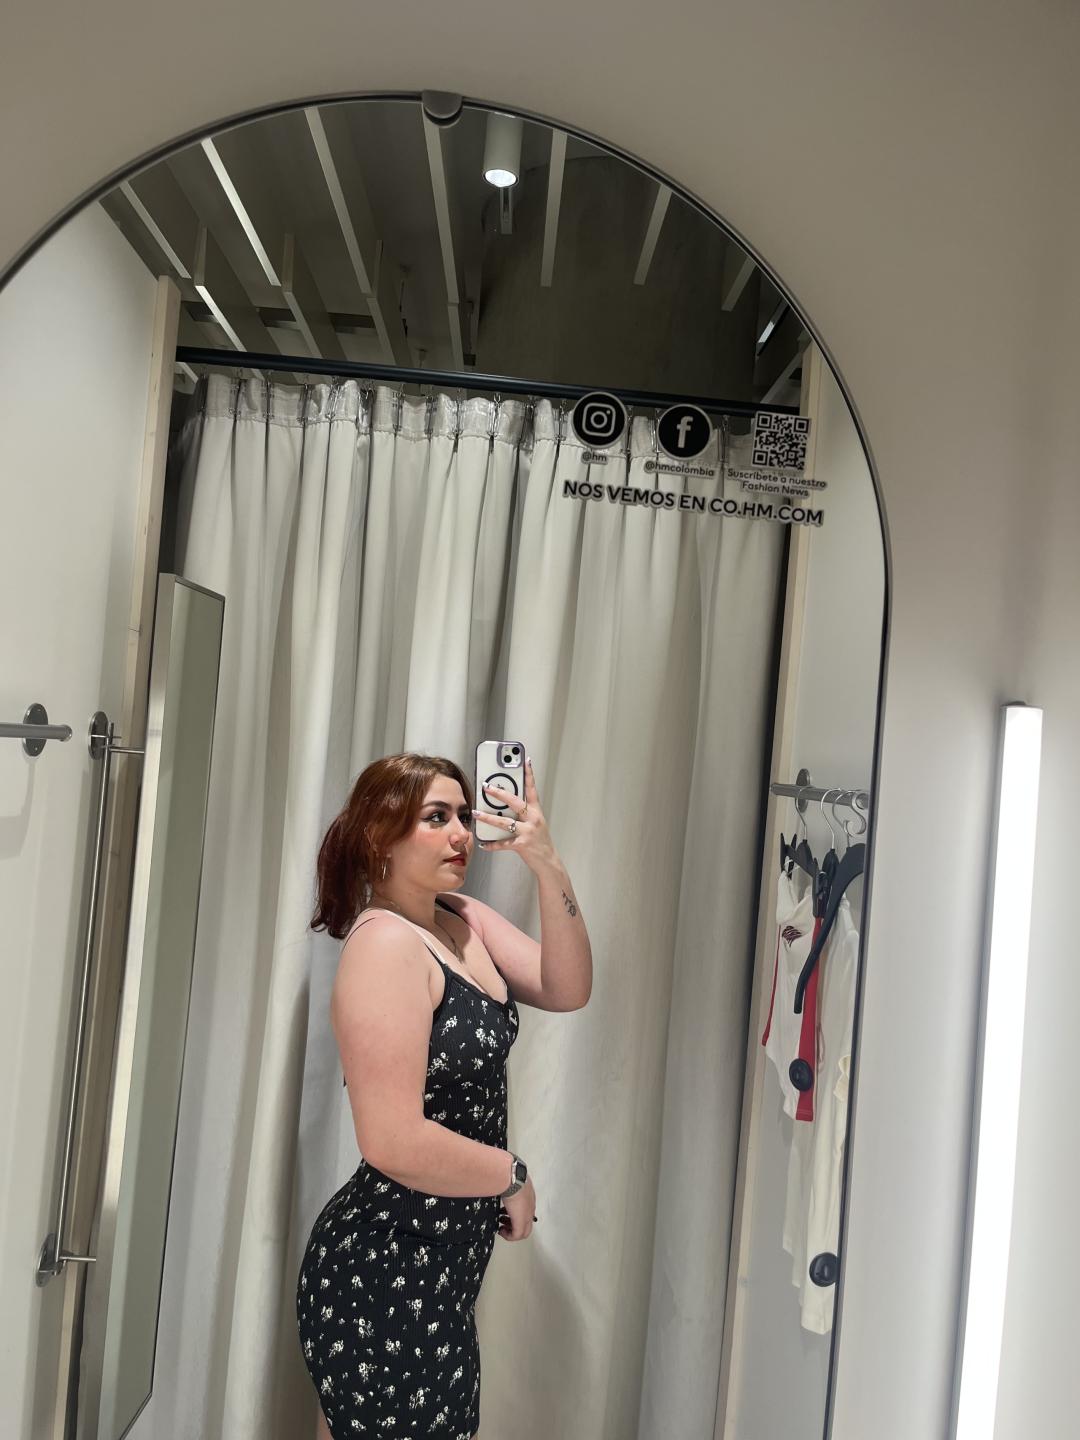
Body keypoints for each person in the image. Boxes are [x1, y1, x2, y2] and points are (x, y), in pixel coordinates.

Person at [296, 751, 591, 1439]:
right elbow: (391, 1140)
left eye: (463, 815)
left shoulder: (461, 919)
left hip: (438, 1270)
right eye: (436, 817)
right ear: (380, 835)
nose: (461, 833)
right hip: (385, 1269)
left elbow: (568, 986)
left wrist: (546, 863)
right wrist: (510, 1176)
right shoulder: (384, 947)